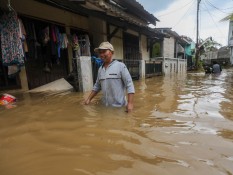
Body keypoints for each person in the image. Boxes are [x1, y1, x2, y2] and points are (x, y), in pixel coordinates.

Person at [84, 42, 135, 112]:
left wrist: (130, 103)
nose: (101, 55)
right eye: (100, 52)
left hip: (119, 108)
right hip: (105, 108)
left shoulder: (120, 66)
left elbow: (129, 85)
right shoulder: (100, 69)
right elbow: (97, 86)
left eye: (104, 51)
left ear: (111, 52)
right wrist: (88, 99)